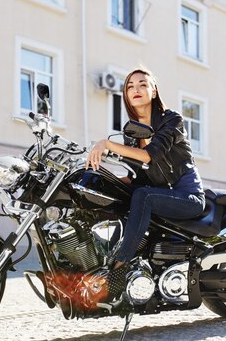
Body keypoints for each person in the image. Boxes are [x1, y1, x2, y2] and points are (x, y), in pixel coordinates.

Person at [86, 68, 206, 274]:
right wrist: (112, 180)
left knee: (144, 196)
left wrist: (105, 143)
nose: (136, 89)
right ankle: (93, 257)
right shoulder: (132, 132)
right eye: (130, 86)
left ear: (154, 91)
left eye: (143, 84)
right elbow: (139, 175)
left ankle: (120, 265)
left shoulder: (172, 120)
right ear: (125, 94)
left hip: (188, 197)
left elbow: (149, 155)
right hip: (158, 193)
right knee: (105, 189)